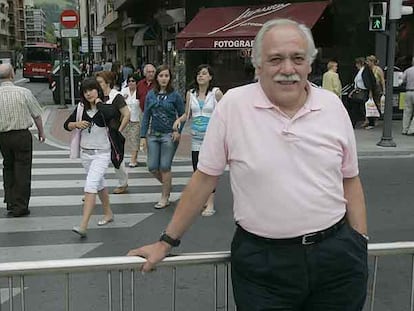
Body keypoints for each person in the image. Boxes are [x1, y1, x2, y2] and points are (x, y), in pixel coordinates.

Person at [128, 19, 368, 311]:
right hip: (263, 264)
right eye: (275, 59)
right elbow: (204, 179)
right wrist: (166, 241)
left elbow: (350, 180)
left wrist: (360, 242)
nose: (288, 69)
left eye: (297, 59)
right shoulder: (233, 106)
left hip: (336, 258)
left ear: (309, 64)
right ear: (257, 66)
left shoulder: (332, 106)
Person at [64, 78, 118, 237]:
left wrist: (99, 102)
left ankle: (83, 225)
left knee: (90, 186)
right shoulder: (81, 108)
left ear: (98, 90)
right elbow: (66, 125)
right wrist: (76, 124)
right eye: (85, 91)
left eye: (91, 90)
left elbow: (111, 114)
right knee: (99, 183)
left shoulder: (106, 107)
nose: (88, 93)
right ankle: (108, 213)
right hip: (85, 154)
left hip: (102, 154)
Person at [173, 64, 223, 216]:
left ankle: (210, 203)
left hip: (211, 139)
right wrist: (178, 121)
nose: (200, 76)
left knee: (210, 171)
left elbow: (226, 111)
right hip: (196, 138)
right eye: (199, 74)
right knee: (198, 171)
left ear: (210, 77)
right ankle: (202, 200)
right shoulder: (191, 93)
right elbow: (187, 114)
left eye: (204, 74)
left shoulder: (216, 93)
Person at [0, 63, 46, 217]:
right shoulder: (23, 92)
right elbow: (37, 115)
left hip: (3, 137)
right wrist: (41, 132)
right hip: (21, 135)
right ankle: (20, 206)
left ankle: (10, 202)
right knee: (22, 169)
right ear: (12, 75)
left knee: (8, 167)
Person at [140, 64, 185, 209]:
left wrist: (178, 131)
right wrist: (142, 136)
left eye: (166, 76)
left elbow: (183, 115)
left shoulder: (175, 95)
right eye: (161, 76)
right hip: (153, 134)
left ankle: (165, 197)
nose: (164, 79)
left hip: (169, 135)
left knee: (165, 166)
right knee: (152, 167)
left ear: (170, 78)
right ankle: (168, 185)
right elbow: (146, 116)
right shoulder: (151, 95)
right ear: (156, 78)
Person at [96, 71, 130, 194]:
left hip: (112, 132)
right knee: (97, 160)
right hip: (98, 133)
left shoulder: (116, 96)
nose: (98, 85)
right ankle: (93, 186)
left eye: (100, 82)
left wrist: (119, 130)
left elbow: (126, 114)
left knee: (116, 158)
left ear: (108, 82)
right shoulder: (96, 96)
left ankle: (123, 183)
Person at [348, 57, 376, 129]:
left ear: (359, 64)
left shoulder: (366, 70)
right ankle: (353, 123)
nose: (356, 65)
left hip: (365, 91)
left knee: (365, 107)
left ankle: (370, 122)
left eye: (357, 64)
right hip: (359, 90)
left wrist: (370, 91)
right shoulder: (359, 71)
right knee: (356, 107)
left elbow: (370, 81)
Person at [121, 73, 142, 167]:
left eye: (133, 81)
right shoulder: (124, 91)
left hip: (136, 119)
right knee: (124, 138)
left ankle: (133, 159)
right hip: (125, 119)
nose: (131, 83)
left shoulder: (140, 91)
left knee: (134, 139)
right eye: (129, 81)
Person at [401, 58, 414, 135]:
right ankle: (411, 129)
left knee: (407, 111)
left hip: (408, 91)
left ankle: (404, 129)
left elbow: (401, 80)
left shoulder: (408, 70)